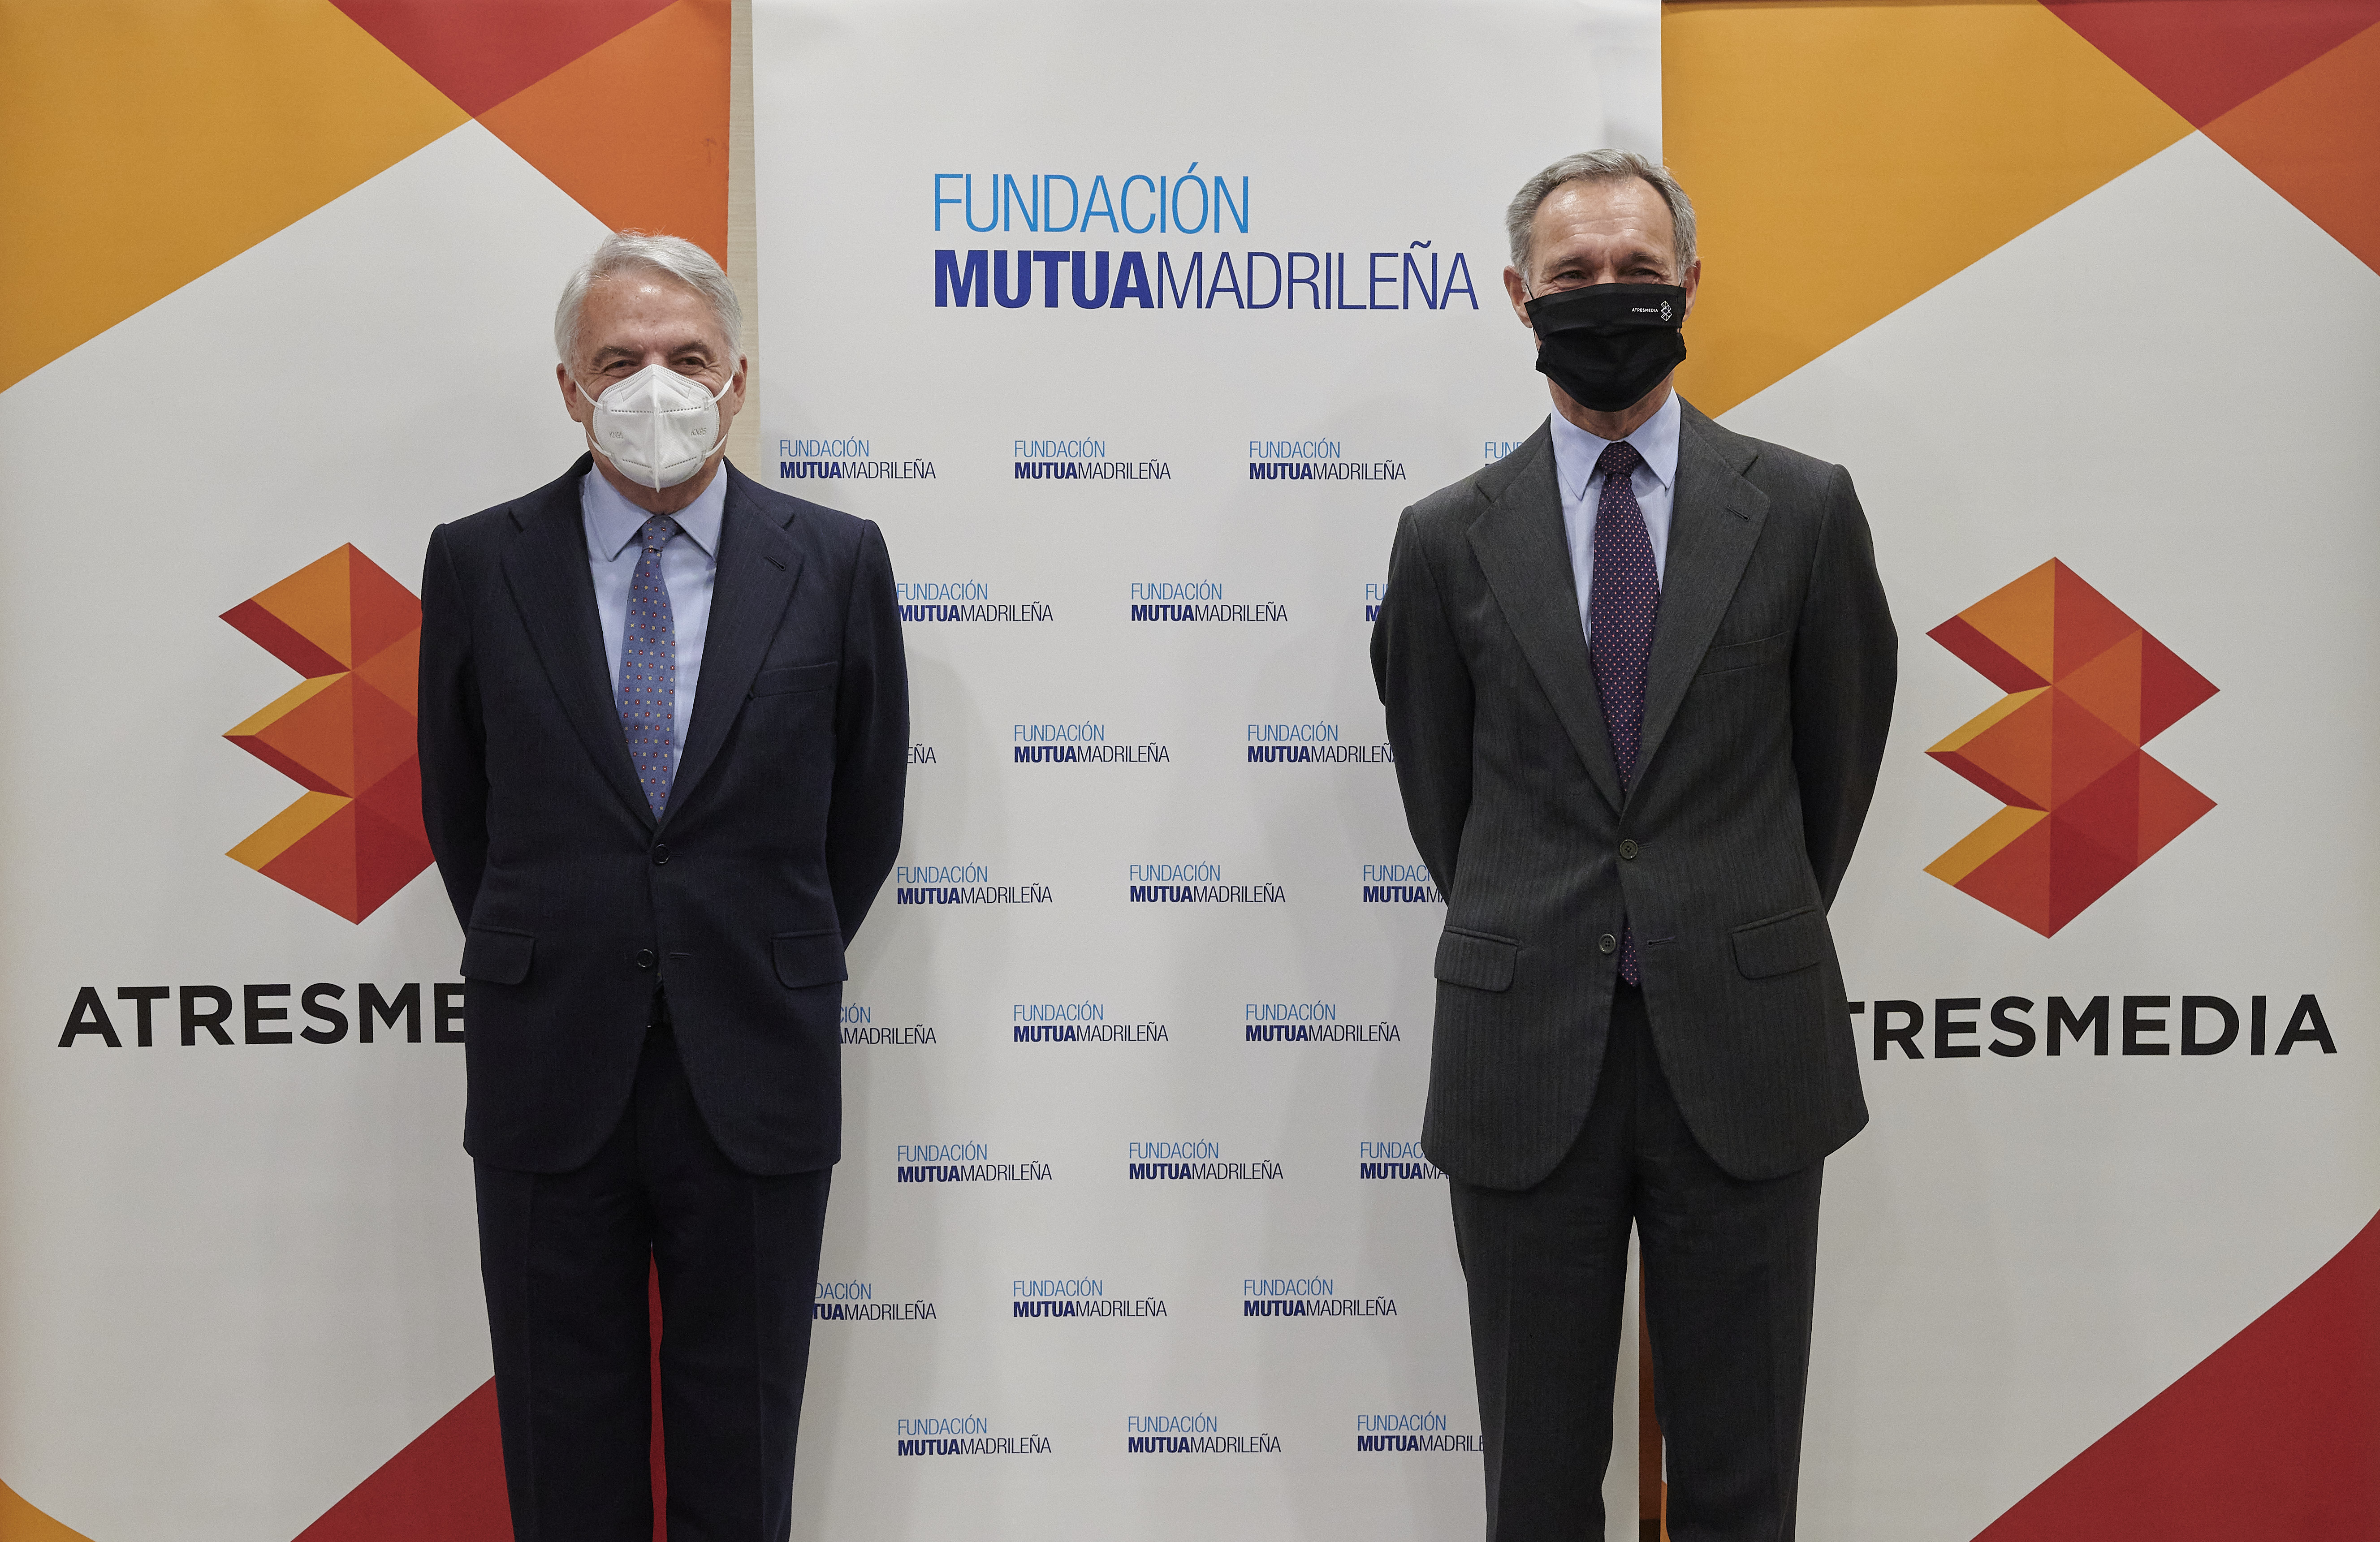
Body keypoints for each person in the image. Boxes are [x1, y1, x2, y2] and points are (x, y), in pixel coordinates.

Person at [1370, 151, 1896, 1540]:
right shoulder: (1444, 541)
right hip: (1524, 1052)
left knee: (1742, 1480)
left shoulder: (1803, 510)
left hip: (1747, 1044)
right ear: (1520, 296)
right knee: (1537, 1485)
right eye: (1575, 274)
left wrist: (1720, 914)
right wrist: (1558, 918)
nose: (1608, 294)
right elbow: (1444, 799)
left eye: (1636, 270)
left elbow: (1835, 768)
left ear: (1690, 283)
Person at [418, 231, 907, 1539]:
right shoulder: (478, 562)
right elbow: (463, 812)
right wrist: (570, 939)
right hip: (547, 1058)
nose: (656, 384)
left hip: (754, 1055)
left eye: (688, 357)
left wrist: (744, 943)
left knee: (741, 1442)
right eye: (619, 359)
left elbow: (861, 816)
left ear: (736, 379)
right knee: (560, 1444)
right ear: (569, 388)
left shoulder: (837, 560)